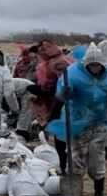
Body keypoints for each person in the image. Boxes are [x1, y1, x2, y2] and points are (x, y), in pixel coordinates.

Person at [47, 43, 107, 196]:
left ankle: (99, 192)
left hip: (100, 120)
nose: (95, 68)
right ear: (85, 64)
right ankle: (75, 193)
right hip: (77, 120)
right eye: (92, 65)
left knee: (96, 157)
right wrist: (65, 92)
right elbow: (61, 91)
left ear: (102, 64)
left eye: (98, 65)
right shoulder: (72, 73)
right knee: (76, 158)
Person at [27, 41, 74, 173]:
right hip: (65, 103)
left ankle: (66, 166)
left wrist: (39, 90)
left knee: (62, 137)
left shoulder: (58, 63)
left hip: (63, 104)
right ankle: (67, 166)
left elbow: (62, 85)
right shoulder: (61, 60)